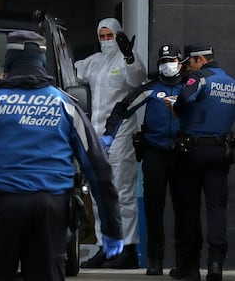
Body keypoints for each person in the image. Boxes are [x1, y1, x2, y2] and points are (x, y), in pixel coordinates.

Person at [0, 30, 124, 281]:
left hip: (1, 208)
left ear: (10, 61)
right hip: (51, 210)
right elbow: (98, 168)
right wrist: (112, 228)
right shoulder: (65, 105)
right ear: (42, 61)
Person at [101, 44, 185, 275]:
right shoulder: (150, 88)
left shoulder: (190, 87)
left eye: (171, 60)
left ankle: (182, 262)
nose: (167, 65)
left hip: (182, 155)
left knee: (183, 210)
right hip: (154, 154)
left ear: (180, 61)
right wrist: (109, 135)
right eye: (163, 61)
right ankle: (155, 261)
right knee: (154, 209)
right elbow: (121, 109)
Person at [75, 17, 147, 268]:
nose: (106, 41)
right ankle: (105, 247)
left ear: (118, 36)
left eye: (109, 36)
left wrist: (128, 56)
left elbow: (137, 79)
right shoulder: (94, 62)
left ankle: (127, 249)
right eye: (102, 36)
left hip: (121, 135)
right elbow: (71, 70)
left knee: (122, 193)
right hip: (97, 137)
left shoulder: (128, 60)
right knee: (97, 194)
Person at [166, 44, 235, 281]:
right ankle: (216, 264)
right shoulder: (230, 81)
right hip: (220, 151)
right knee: (217, 208)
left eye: (189, 63)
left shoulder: (200, 79)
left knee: (189, 208)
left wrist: (176, 110)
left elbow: (185, 97)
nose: (187, 68)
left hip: (192, 150)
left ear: (201, 60)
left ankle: (190, 267)